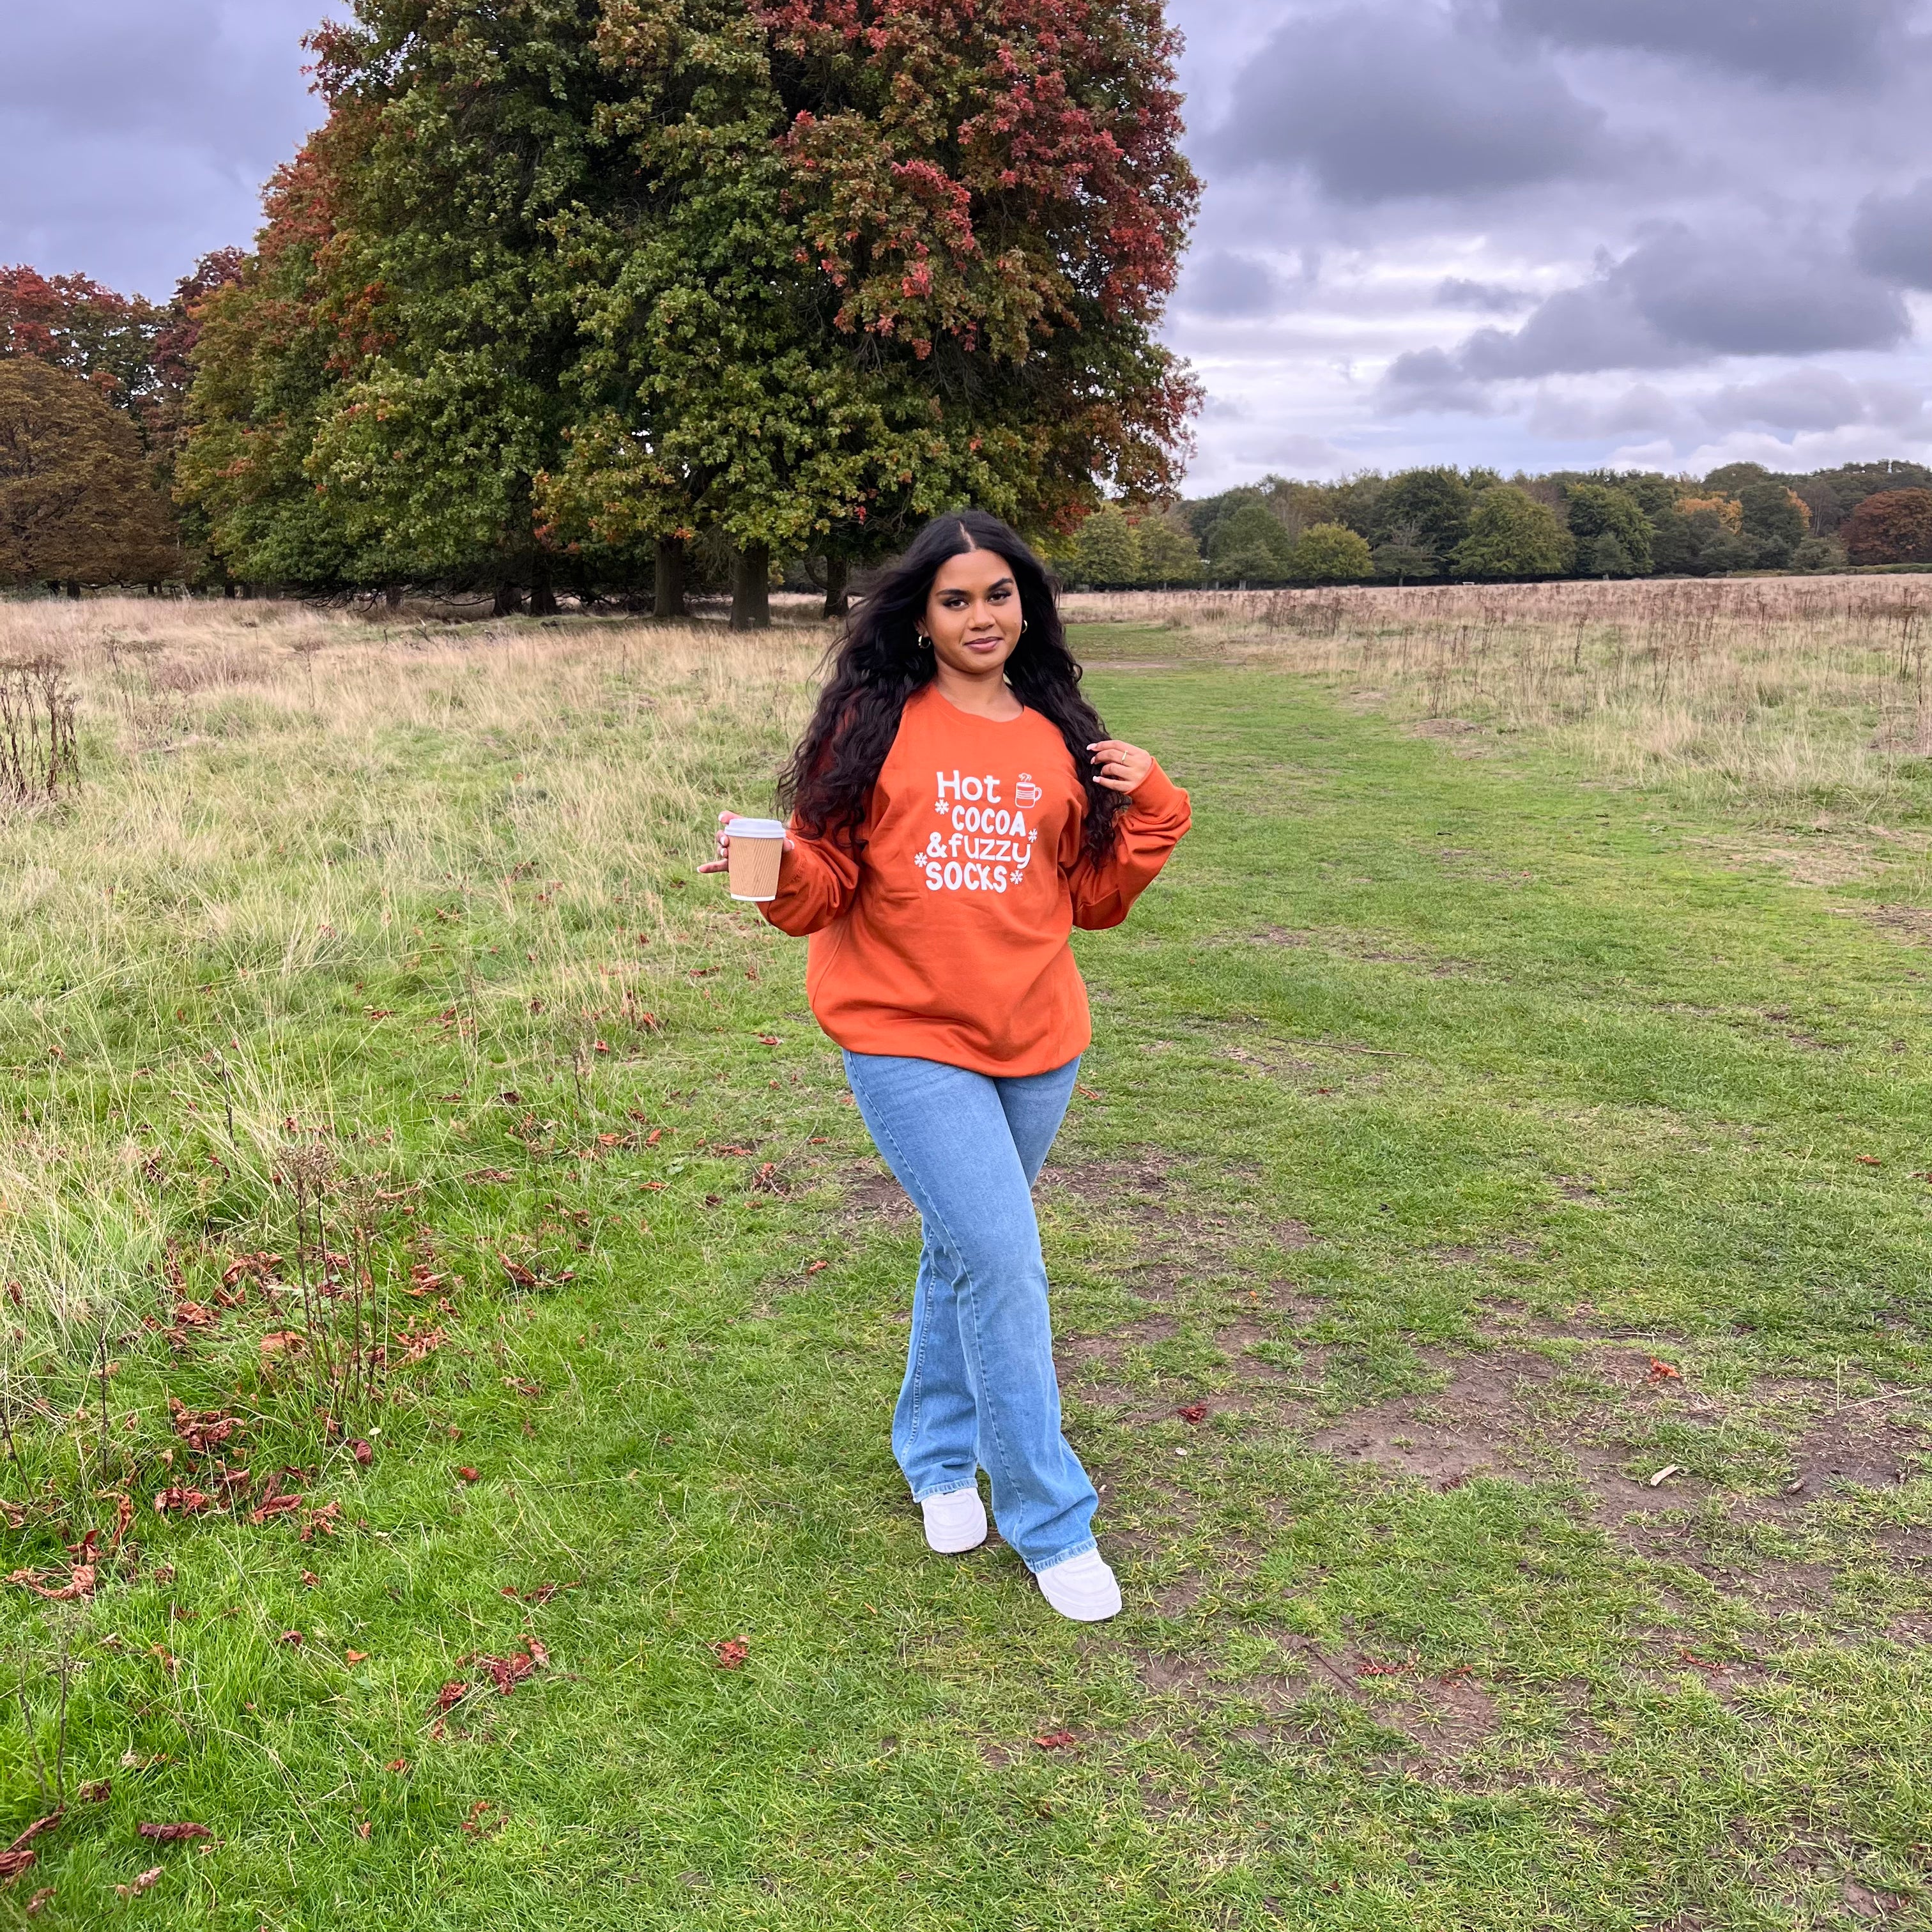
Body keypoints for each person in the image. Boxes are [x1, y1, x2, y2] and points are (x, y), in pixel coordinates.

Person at [702, 510, 1190, 1621]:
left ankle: (933, 1452)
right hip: (904, 1038)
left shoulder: (1060, 735)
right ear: (920, 616)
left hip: (1037, 1041)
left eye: (1000, 595)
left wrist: (1156, 801)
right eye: (956, 599)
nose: (982, 617)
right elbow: (823, 880)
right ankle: (1052, 1520)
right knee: (1006, 1264)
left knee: (965, 1252)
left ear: (1029, 606)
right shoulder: (875, 728)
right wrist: (774, 873)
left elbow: (1094, 899)